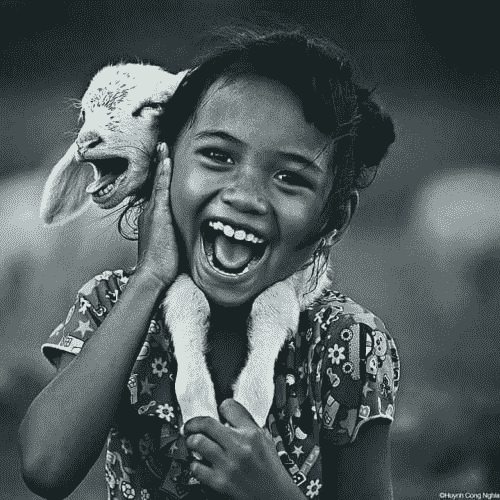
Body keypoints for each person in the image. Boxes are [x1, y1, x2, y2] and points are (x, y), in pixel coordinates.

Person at [18, 28, 399, 500]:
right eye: (218, 156)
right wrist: (149, 279)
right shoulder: (112, 304)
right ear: (165, 164)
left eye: (289, 177)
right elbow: (45, 467)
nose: (244, 196)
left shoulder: (347, 341)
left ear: (333, 219)